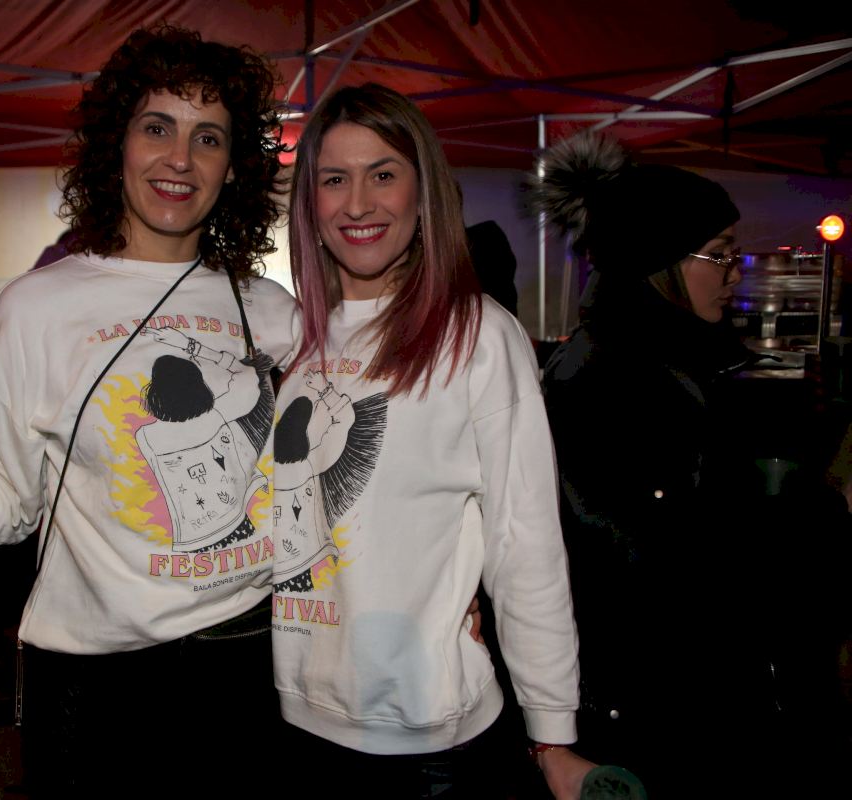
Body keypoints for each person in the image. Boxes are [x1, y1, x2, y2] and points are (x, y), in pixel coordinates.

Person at [0, 27, 297, 794]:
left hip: (252, 664)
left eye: (207, 137)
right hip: (104, 684)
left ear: (233, 165)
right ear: (118, 145)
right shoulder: (39, 305)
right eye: (157, 128)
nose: (180, 158)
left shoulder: (270, 307)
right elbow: (4, 492)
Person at [271, 83, 591, 798]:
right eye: (334, 179)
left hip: (427, 740)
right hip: (295, 719)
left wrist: (552, 731)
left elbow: (524, 543)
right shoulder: (291, 339)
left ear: (423, 196)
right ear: (309, 204)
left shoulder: (477, 336)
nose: (358, 203)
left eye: (383, 174)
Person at [536, 134, 850, 794]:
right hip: (663, 716)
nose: (735, 273)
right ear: (658, 260)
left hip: (702, 702)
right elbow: (648, 563)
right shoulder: (607, 380)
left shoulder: (685, 361)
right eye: (721, 254)